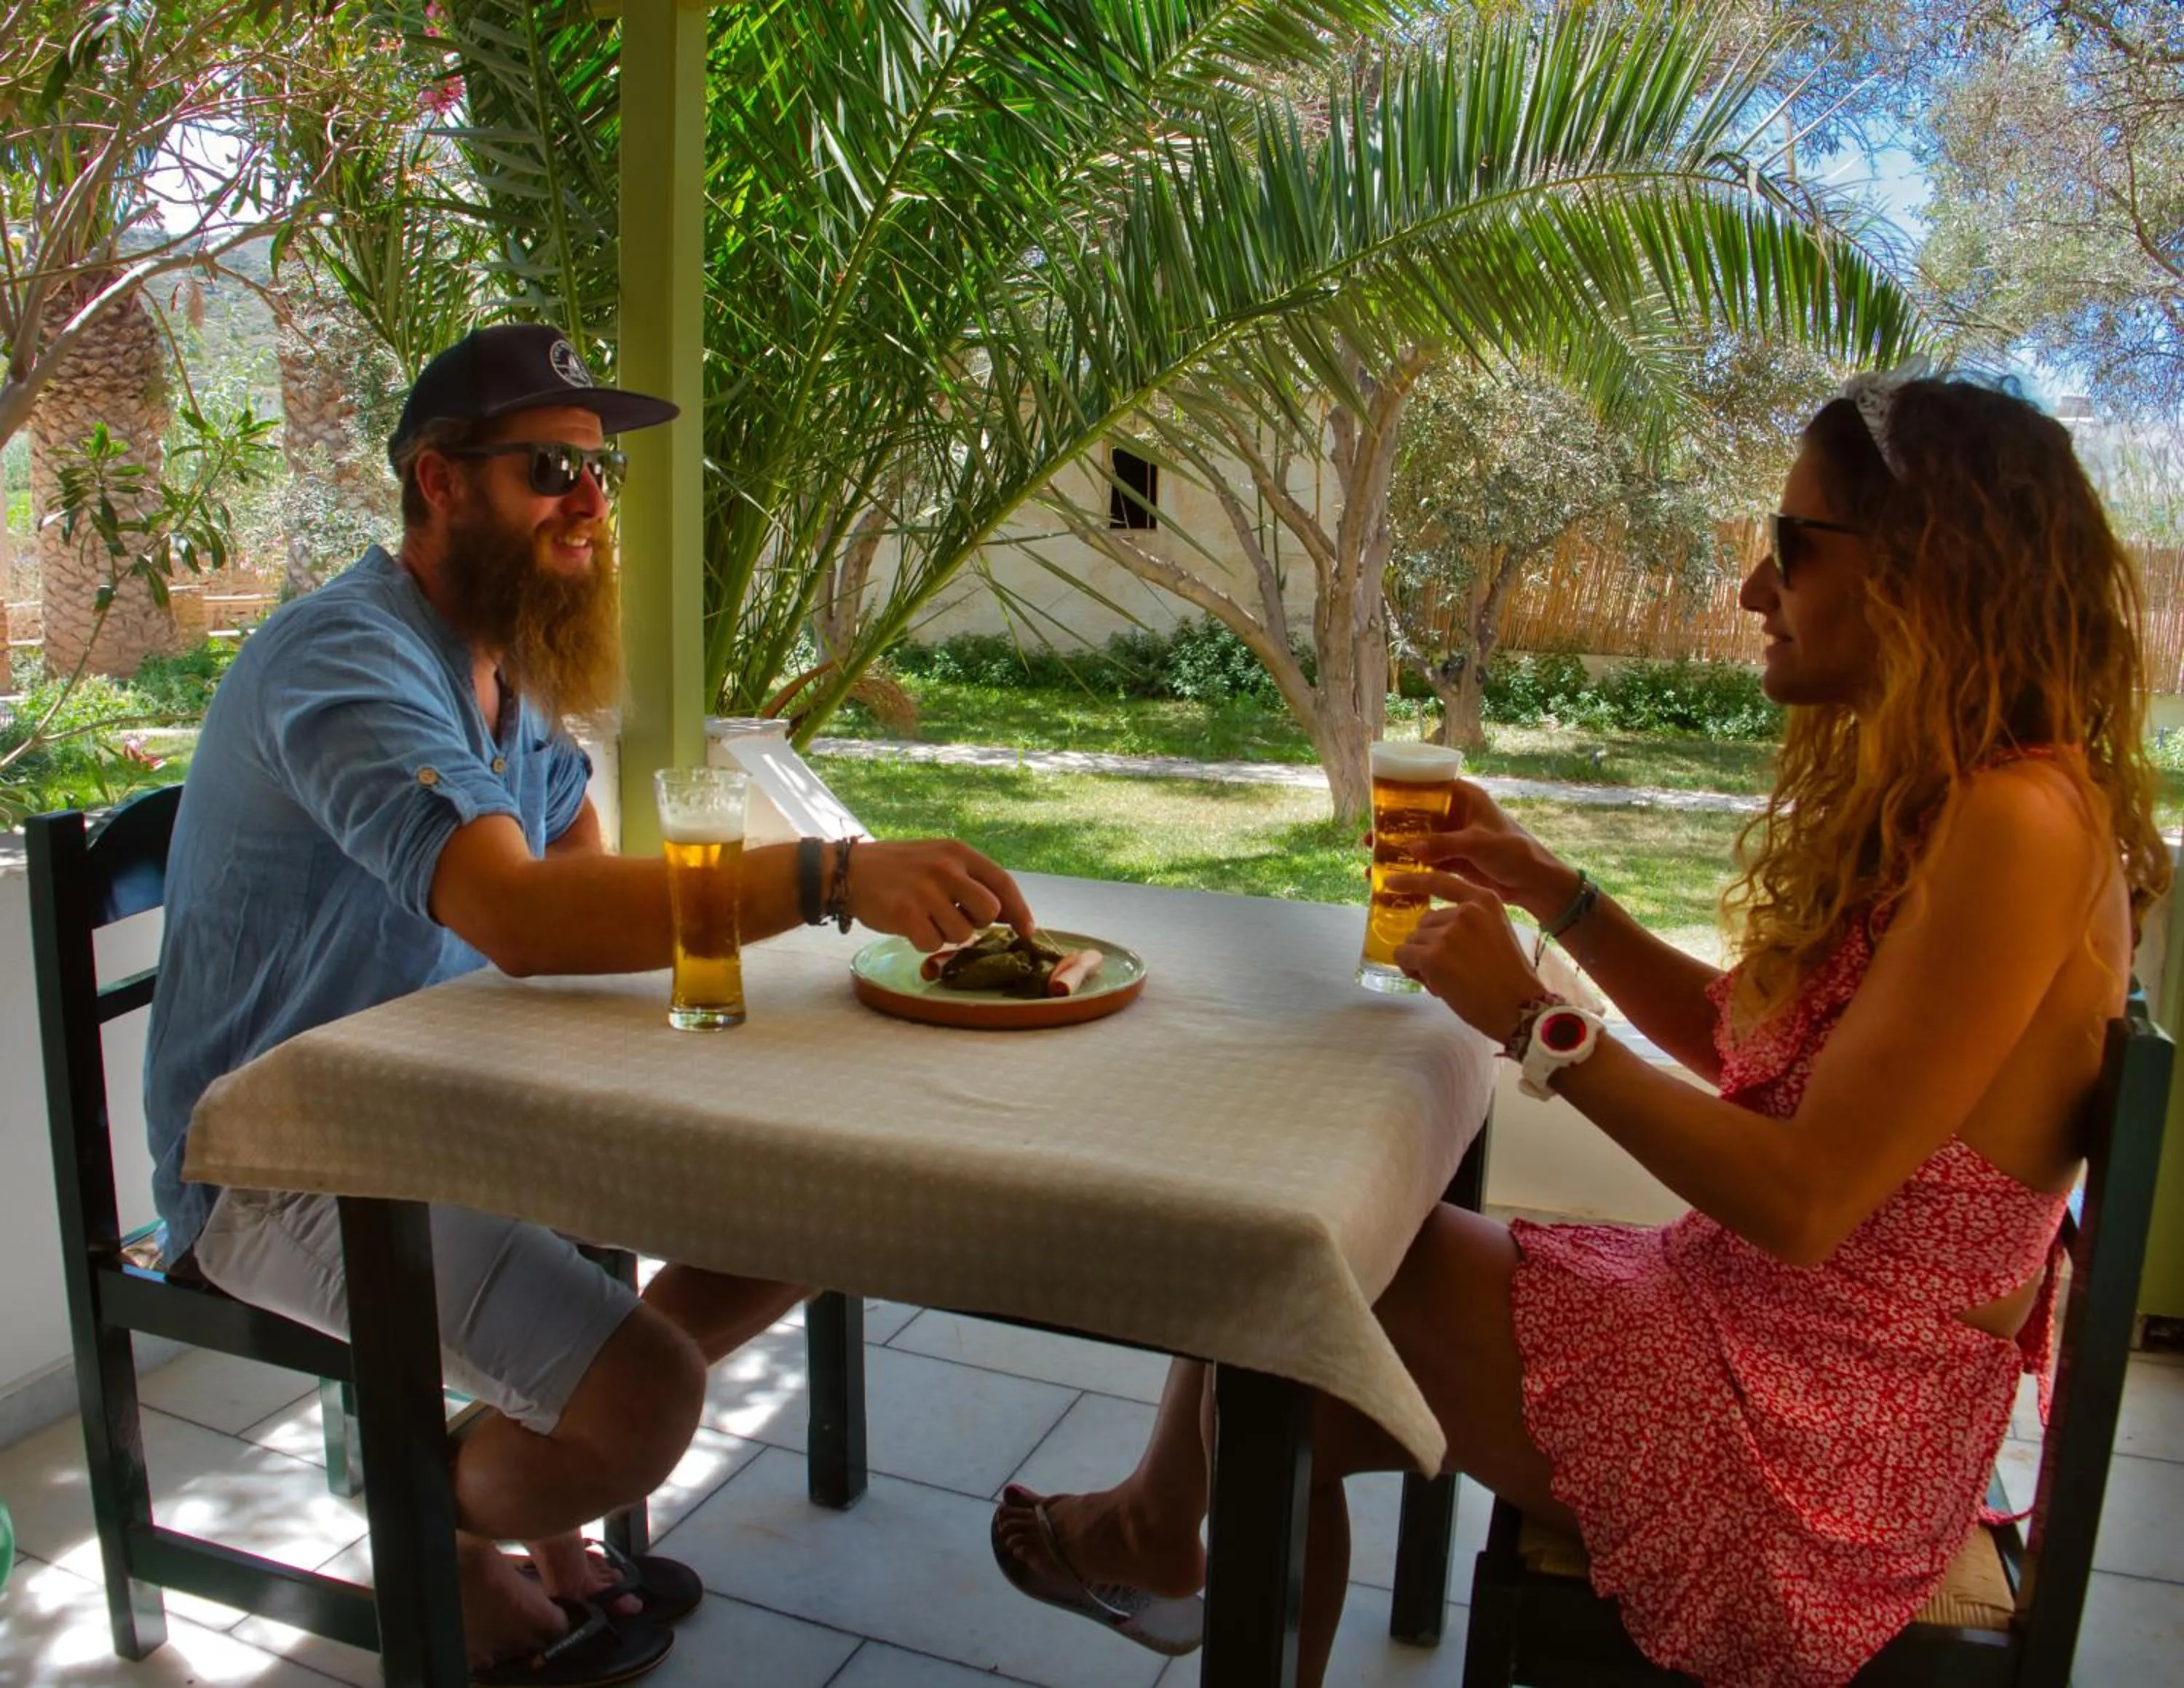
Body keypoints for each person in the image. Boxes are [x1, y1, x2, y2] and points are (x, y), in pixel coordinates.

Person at [990, 374, 2170, 1688]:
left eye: (1790, 543)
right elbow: (1749, 1048)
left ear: (1924, 571)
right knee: (1292, 1343)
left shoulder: (2019, 825)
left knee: (1294, 1260)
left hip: (1812, 1449)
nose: (1755, 589)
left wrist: (1532, 1019)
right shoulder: (1967, 803)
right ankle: (1158, 1525)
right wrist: (1554, 888)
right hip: (1762, 1342)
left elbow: (1806, 1199)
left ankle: (1154, 1526)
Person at [145, 323, 1035, 1686]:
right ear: (441, 480)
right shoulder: (348, 660)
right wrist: (827, 876)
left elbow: (581, 893)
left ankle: (538, 1462)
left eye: (600, 473)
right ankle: (439, 1527)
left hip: (446, 1109)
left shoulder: (505, 668)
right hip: (287, 1158)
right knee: (649, 1399)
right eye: (552, 469)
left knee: (817, 1200)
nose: (590, 503)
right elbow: (521, 915)